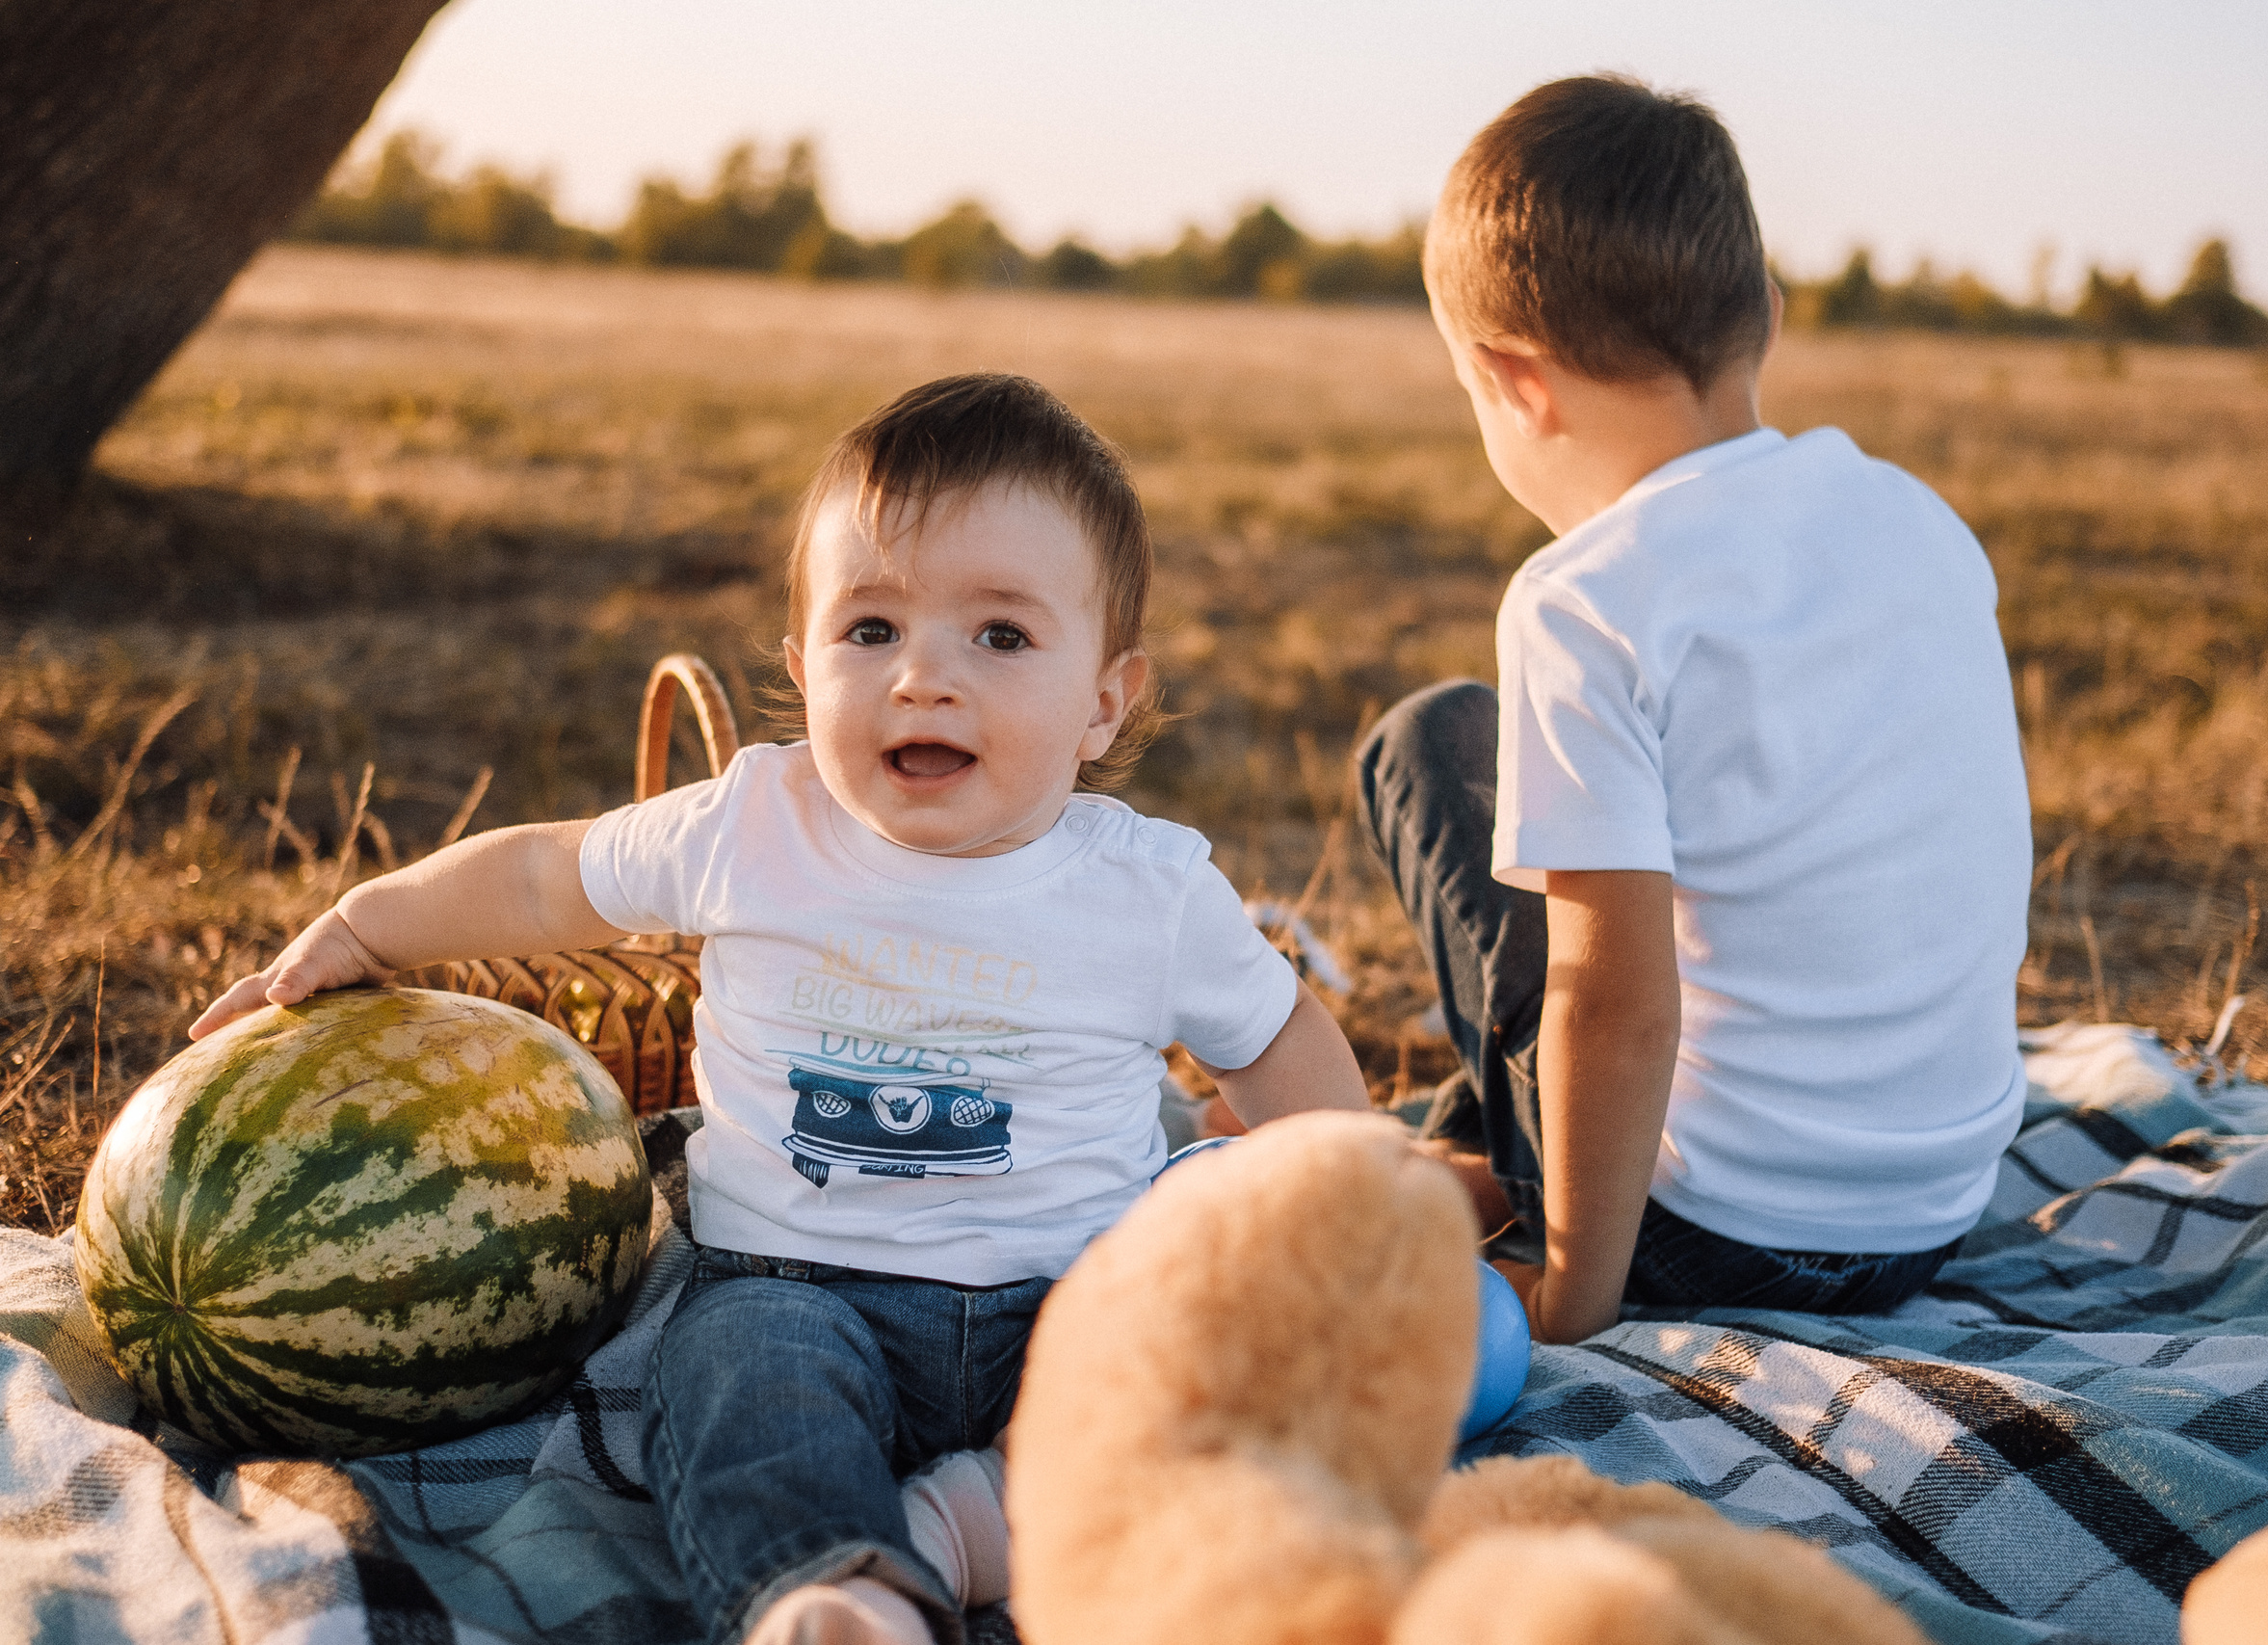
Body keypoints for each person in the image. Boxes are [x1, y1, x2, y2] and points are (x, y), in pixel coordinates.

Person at [193, 373, 1372, 1645]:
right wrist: (372, 921)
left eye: (1001, 637)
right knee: (732, 1384)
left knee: (1204, 1356)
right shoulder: (752, 826)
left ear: (1105, 700)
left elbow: (1281, 1041)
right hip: (803, 1288)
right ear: (802, 663)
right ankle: (838, 1592)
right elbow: (547, 874)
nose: (923, 678)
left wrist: (1354, 1200)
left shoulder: (1149, 891)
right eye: (871, 630)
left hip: (1075, 1294)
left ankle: (980, 1525)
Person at [1359, 75, 2031, 1349]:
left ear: (1515, 384)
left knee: (1430, 743)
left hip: (1715, 1232)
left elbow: (1612, 1004)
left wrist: (1575, 1301)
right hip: (1933, 1211)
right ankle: (1479, 1142)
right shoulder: (1920, 526)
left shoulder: (1582, 601)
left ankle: (1506, 1170)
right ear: (1765, 319)